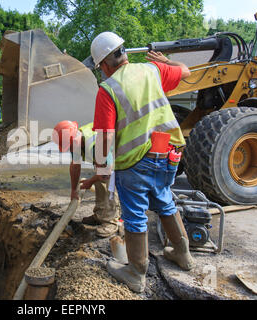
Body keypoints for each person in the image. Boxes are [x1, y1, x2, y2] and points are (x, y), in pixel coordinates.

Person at [90, 31, 194, 293]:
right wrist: (166, 61)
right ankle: (182, 253)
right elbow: (186, 71)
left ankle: (136, 272)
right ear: (123, 52)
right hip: (168, 154)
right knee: (164, 198)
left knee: (135, 214)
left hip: (136, 161)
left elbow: (105, 137)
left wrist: (102, 173)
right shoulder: (152, 70)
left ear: (103, 65)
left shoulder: (108, 89)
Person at [52, 120, 120, 238]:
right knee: (100, 180)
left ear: (73, 139)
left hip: (118, 158)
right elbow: (75, 165)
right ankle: (100, 215)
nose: (70, 149)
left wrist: (90, 182)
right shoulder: (77, 140)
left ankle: (111, 221)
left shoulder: (96, 144)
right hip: (103, 161)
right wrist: (74, 190)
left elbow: (106, 172)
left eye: (69, 146)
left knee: (110, 184)